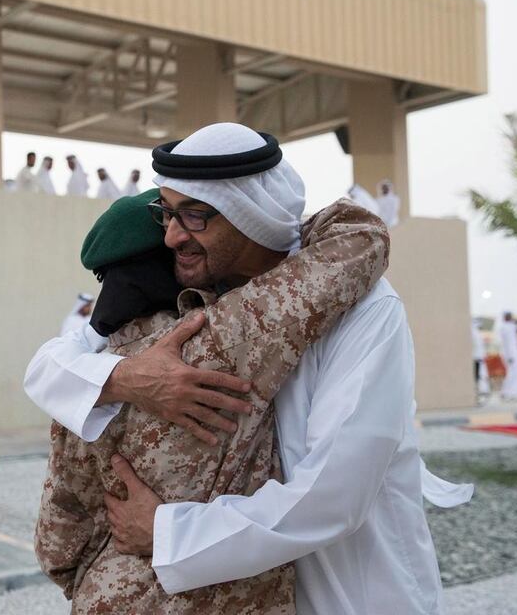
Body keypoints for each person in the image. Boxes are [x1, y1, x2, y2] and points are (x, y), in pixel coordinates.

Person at [25, 123, 472, 615]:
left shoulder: (364, 310)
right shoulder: (196, 301)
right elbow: (53, 363)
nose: (172, 236)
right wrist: (129, 378)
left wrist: (167, 532)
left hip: (351, 590)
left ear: (250, 216)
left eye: (194, 216)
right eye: (166, 213)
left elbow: (335, 496)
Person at [36, 190, 390, 613]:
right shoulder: (224, 333)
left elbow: (57, 538)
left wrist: (101, 566)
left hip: (109, 595)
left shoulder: (86, 375)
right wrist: (274, 223)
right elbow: (362, 236)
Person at [499, 312, 517, 400]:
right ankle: (508, 392)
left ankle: (513, 392)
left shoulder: (508, 326)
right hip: (511, 354)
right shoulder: (507, 327)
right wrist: (510, 356)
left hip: (512, 353)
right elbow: (508, 343)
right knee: (513, 373)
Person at [472, 318, 490, 398]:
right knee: (480, 375)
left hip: (479, 357)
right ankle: (481, 390)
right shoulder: (474, 332)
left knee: (481, 374)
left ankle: (483, 390)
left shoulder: (476, 332)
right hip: (477, 358)